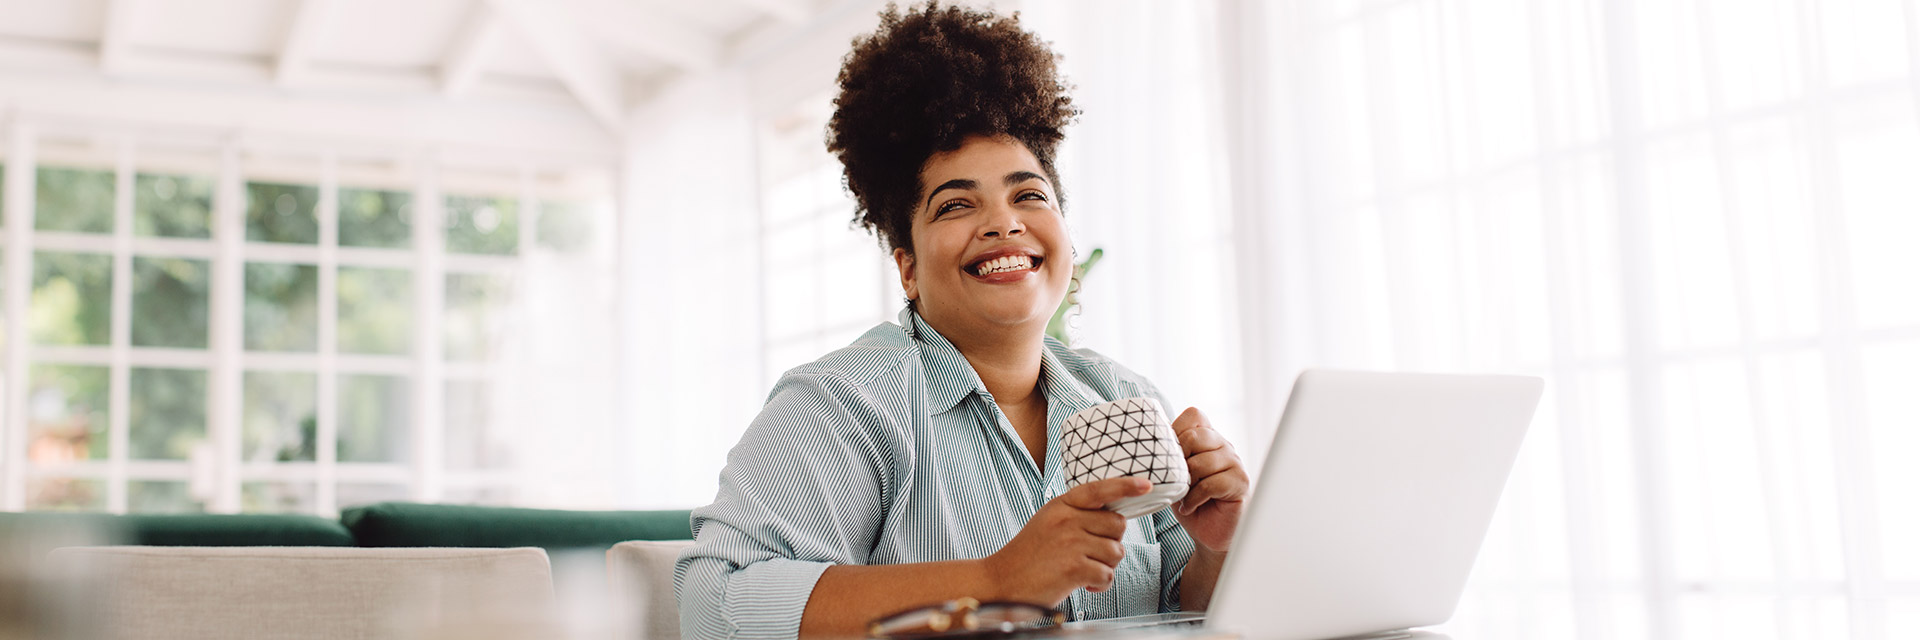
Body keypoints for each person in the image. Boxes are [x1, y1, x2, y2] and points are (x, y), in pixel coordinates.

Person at [674, 3, 1250, 639]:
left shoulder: (1125, 398)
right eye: (955, 205)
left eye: (1029, 195)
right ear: (909, 268)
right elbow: (715, 605)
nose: (1004, 222)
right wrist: (995, 582)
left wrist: (1217, 549)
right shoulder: (843, 406)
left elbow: (1180, 611)